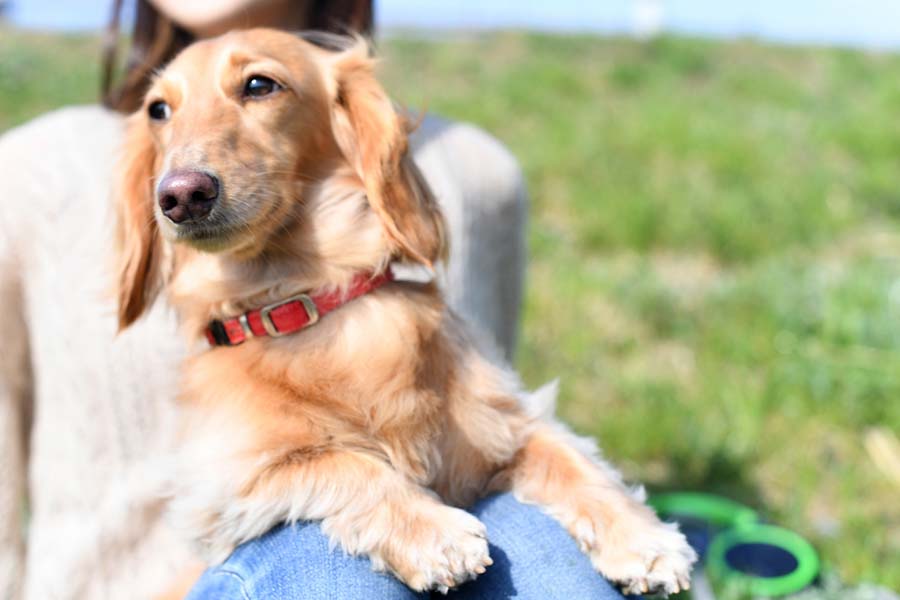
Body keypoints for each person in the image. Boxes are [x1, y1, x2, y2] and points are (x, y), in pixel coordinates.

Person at [0, 1, 628, 598]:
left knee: (550, 563)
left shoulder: (480, 171)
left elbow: (486, 447)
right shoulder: (32, 168)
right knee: (328, 575)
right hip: (189, 578)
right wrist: (364, 495)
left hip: (449, 546)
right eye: (162, 111)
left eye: (257, 86)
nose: (179, 184)